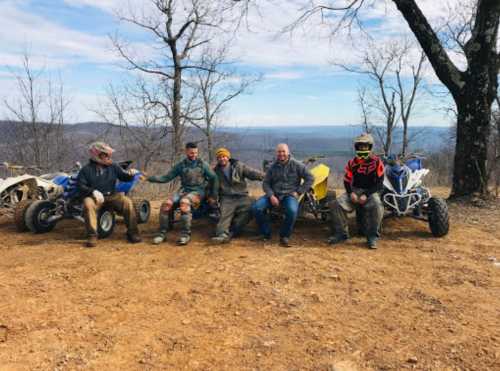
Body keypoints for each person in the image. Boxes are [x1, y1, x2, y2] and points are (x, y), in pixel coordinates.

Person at [147, 142, 218, 246]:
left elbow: (214, 178)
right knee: (167, 204)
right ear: (186, 152)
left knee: (184, 203)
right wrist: (149, 178)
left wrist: (213, 195)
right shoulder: (181, 165)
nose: (194, 155)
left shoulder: (202, 164)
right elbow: (166, 177)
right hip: (184, 190)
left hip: (198, 192)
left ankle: (185, 234)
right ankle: (161, 234)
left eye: (196, 153)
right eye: (191, 153)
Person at [77, 142, 142, 248]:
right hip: (95, 197)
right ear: (97, 155)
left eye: (108, 154)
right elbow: (80, 186)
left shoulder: (113, 166)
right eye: (105, 154)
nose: (108, 157)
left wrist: (130, 174)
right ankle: (92, 236)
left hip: (112, 195)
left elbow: (123, 177)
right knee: (88, 204)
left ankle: (133, 233)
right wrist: (92, 191)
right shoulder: (86, 170)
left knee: (127, 202)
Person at [328, 133, 385, 249]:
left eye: (365, 146)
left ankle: (372, 237)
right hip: (355, 191)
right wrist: (350, 193)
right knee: (336, 204)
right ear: (356, 147)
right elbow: (347, 181)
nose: (362, 148)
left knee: (378, 206)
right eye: (360, 146)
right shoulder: (352, 163)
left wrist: (366, 194)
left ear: (370, 147)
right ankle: (342, 234)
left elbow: (379, 183)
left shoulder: (377, 162)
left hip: (370, 192)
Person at [252, 143, 314, 247]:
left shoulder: (297, 165)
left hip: (289, 195)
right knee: (256, 208)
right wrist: (271, 195)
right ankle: (265, 233)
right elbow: (266, 183)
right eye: (279, 152)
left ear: (288, 152)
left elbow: (310, 178)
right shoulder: (272, 167)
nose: (281, 154)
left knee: (292, 211)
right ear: (276, 153)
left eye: (283, 151)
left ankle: (284, 236)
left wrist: (299, 191)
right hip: (274, 194)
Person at [211, 147, 264, 244]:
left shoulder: (238, 166)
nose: (222, 159)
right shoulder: (215, 172)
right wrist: (213, 198)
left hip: (242, 196)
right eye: (219, 157)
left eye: (224, 156)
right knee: (225, 215)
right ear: (217, 159)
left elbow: (252, 173)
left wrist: (265, 176)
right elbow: (212, 187)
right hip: (226, 197)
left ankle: (234, 230)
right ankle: (221, 235)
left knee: (253, 207)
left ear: (228, 157)